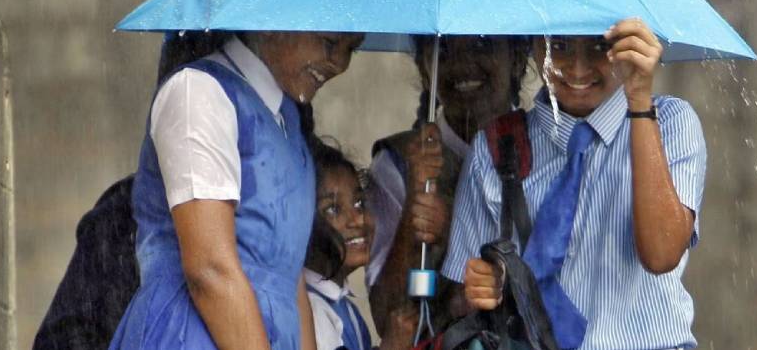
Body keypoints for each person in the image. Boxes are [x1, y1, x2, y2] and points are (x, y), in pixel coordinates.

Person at [445, 19, 707, 350]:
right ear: (533, 45)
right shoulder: (496, 147)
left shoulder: (669, 121)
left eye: (600, 46)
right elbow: (459, 301)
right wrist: (485, 288)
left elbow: (661, 254)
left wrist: (639, 101)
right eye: (559, 46)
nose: (578, 69)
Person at [109, 29, 364, 350]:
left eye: (351, 49)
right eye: (330, 43)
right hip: (191, 334)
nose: (339, 64)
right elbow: (209, 270)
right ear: (273, 23)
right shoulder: (199, 91)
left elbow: (289, 272)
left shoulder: (286, 118)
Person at [365, 35, 530, 336]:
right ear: (424, 69)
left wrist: (452, 229)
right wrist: (411, 224)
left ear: (517, 58)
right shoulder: (399, 165)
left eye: (483, 44)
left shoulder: (549, 153)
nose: (464, 64)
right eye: (445, 49)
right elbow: (386, 317)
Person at [304, 139, 416, 350]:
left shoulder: (345, 308)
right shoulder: (310, 309)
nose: (358, 219)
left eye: (359, 203)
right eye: (333, 209)